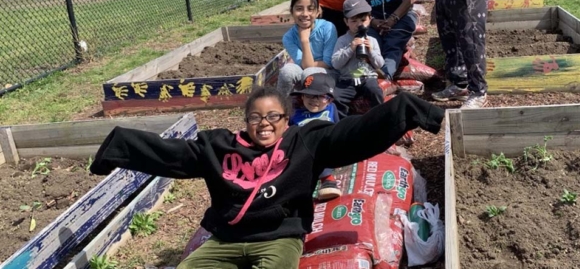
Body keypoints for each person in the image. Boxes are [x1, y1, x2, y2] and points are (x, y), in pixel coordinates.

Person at [89, 87, 445, 269]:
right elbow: (172, 154)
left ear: (286, 120)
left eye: (273, 117)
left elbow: (352, 134)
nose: (265, 124)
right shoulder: (219, 147)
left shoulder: (304, 142)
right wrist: (116, 147)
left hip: (279, 239)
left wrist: (406, 109)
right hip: (225, 240)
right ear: (244, 121)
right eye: (256, 117)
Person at [288, 72, 342, 201]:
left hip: (324, 149)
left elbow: (338, 129)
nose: (315, 100)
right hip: (301, 149)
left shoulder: (332, 109)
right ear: (302, 96)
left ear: (330, 99)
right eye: (310, 95)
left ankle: (327, 179)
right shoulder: (294, 113)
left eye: (321, 97)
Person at [277, 0, 338, 96]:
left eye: (310, 9)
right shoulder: (288, 37)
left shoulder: (328, 28)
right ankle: (282, 104)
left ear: (318, 11)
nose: (305, 14)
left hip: (329, 73)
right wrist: (303, 40)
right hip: (303, 69)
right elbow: (303, 64)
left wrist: (305, 40)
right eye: (299, 9)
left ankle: (316, 105)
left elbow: (327, 63)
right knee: (286, 71)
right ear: (292, 11)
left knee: (309, 73)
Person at [331, 0, 385, 117]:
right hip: (348, 79)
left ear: (370, 19)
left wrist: (371, 51)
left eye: (363, 20)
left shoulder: (372, 40)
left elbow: (380, 64)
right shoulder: (342, 40)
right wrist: (350, 48)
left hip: (367, 77)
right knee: (337, 98)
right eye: (354, 21)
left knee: (375, 91)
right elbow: (335, 63)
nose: (359, 24)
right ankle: (342, 125)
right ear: (346, 22)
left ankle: (380, 118)